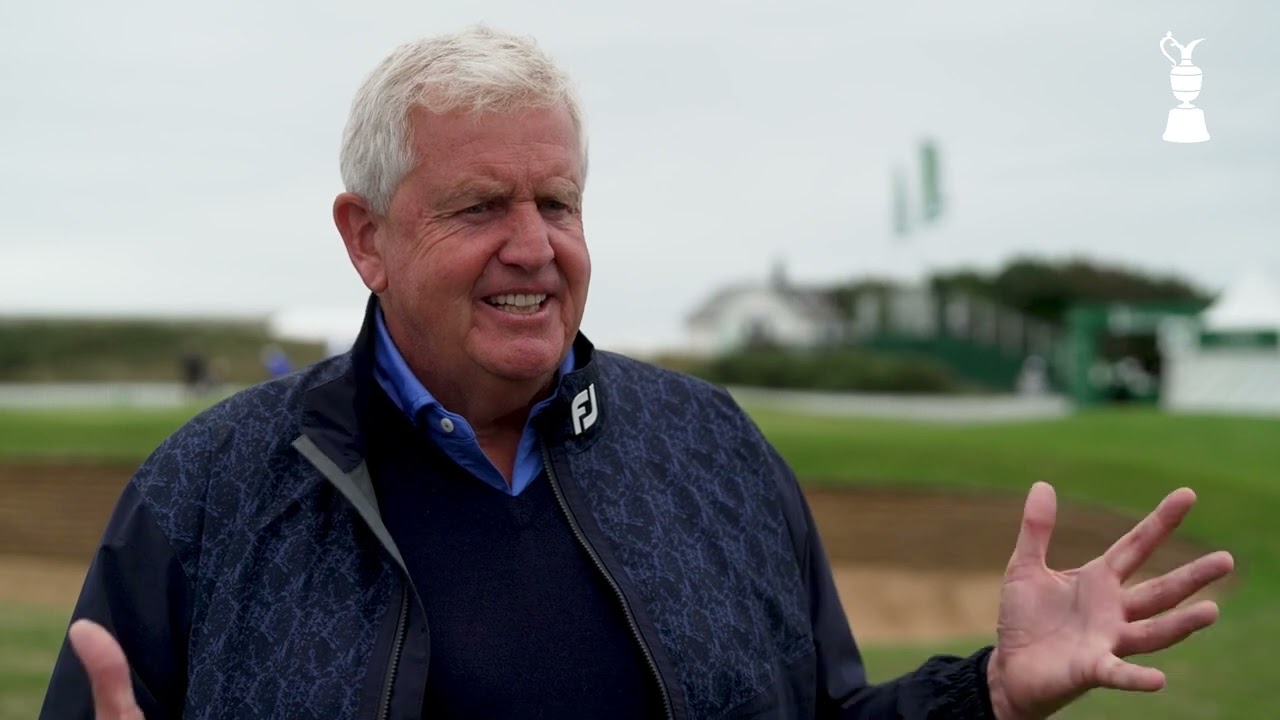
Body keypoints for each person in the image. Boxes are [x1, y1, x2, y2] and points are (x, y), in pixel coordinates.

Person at [40, 25, 1233, 720]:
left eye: (556, 202)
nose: (533, 244)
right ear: (365, 238)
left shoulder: (710, 452)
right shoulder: (208, 489)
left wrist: (985, 695)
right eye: (476, 206)